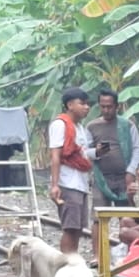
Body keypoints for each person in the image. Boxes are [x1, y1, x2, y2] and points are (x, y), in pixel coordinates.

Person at [47, 87, 109, 254]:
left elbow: (81, 153)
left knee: (78, 228)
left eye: (88, 104)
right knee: (70, 227)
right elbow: (56, 156)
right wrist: (55, 185)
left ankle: (72, 262)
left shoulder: (80, 128)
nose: (87, 107)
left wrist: (97, 152)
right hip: (68, 183)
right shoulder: (60, 125)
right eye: (82, 103)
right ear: (69, 105)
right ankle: (67, 265)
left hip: (80, 184)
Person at [87, 88, 139, 206]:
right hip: (101, 178)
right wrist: (96, 152)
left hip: (124, 178)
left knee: (127, 216)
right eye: (103, 107)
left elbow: (137, 150)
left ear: (117, 106)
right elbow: (83, 151)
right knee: (99, 217)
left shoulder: (127, 125)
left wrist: (130, 172)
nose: (106, 110)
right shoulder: (91, 126)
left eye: (109, 107)